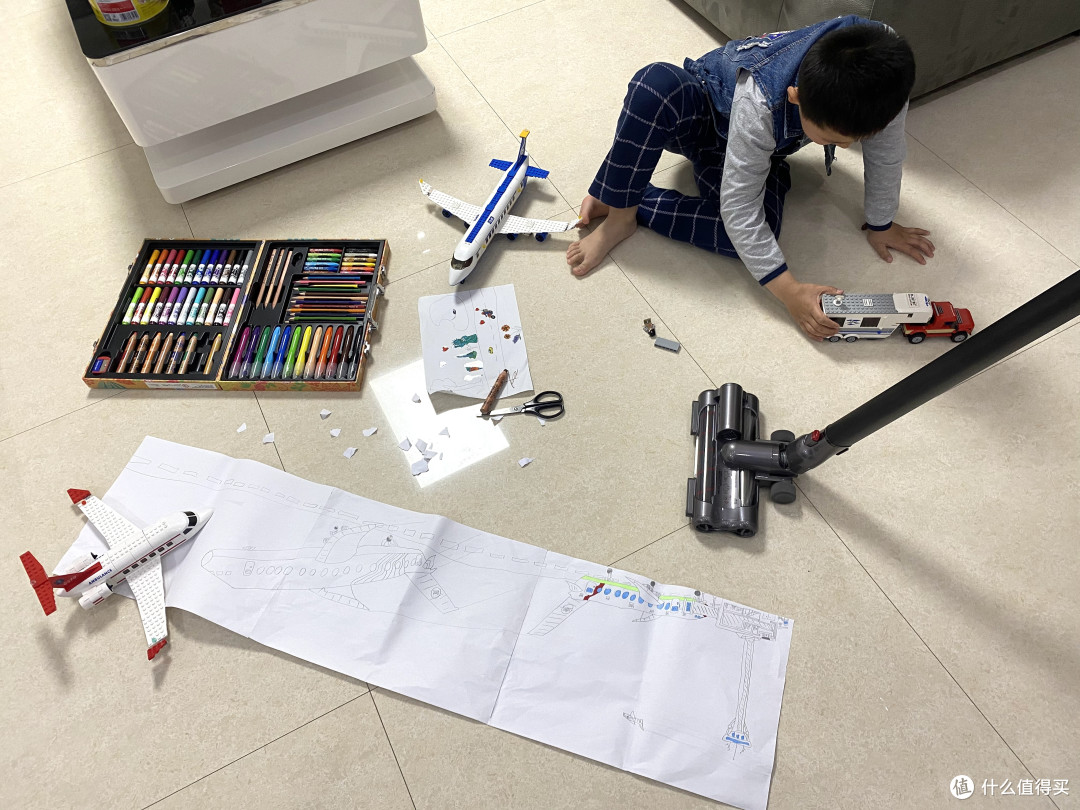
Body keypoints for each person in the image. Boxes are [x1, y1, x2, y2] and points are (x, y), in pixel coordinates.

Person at [565, 16, 935, 340]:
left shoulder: (887, 76)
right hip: (706, 119)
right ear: (796, 97)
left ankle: (630, 193)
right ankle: (621, 213)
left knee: (753, 237)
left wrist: (881, 223)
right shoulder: (761, 99)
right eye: (832, 140)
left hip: (762, 153)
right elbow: (740, 207)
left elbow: (887, 154)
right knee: (655, 85)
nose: (846, 146)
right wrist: (789, 291)